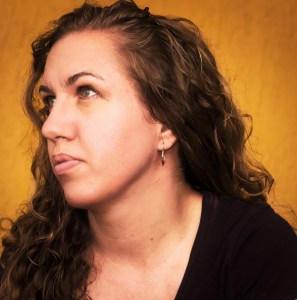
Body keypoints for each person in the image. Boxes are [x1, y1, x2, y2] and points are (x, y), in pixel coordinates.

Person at [1, 0, 297, 299]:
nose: (50, 127)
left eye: (86, 91)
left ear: (166, 124)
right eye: (50, 100)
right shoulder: (28, 261)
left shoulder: (257, 250)